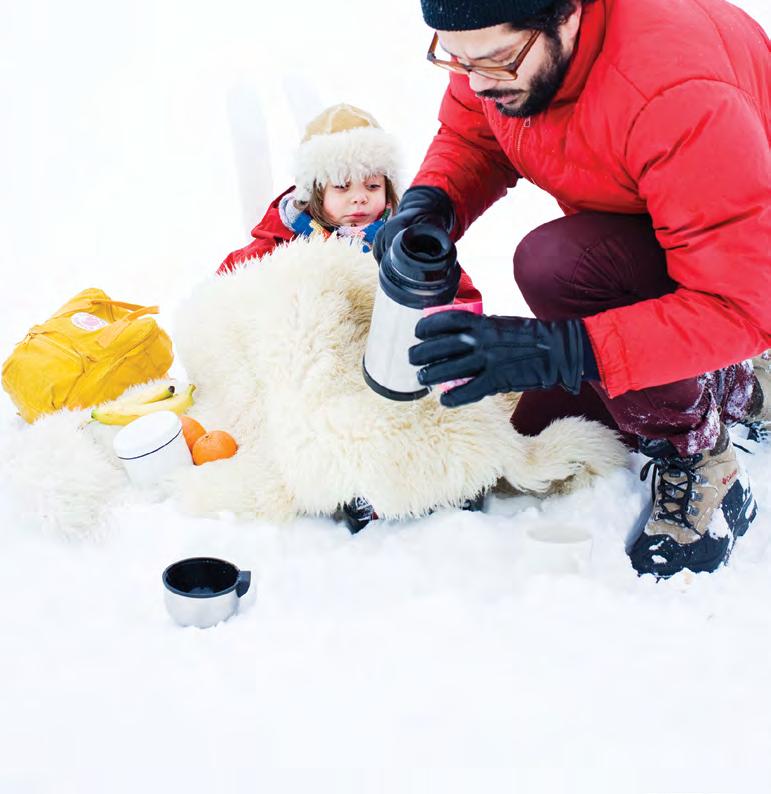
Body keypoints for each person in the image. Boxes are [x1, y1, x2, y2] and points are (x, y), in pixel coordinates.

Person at [374, 0, 770, 578]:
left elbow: (742, 301)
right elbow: (473, 132)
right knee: (534, 430)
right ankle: (739, 385)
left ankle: (703, 458)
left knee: (556, 264)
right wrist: (432, 203)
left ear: (567, 15)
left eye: (497, 62)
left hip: (745, 245)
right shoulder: (499, 55)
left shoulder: (677, 94)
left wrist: (566, 350)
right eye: (456, 61)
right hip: (669, 211)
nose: (478, 83)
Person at [217, 102, 482, 303]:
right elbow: (227, 286)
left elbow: (461, 298)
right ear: (315, 194)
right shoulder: (281, 240)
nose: (359, 197)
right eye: (342, 187)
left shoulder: (404, 243)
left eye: (373, 186)